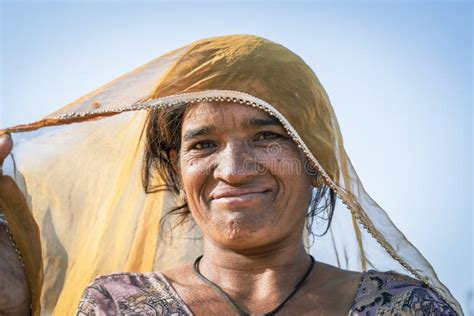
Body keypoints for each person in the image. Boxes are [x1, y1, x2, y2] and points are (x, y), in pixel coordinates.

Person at [0, 34, 462, 315]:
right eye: (203, 145)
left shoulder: (405, 308)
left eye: (267, 137)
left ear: (317, 162)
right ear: (177, 170)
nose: (234, 170)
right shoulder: (118, 305)